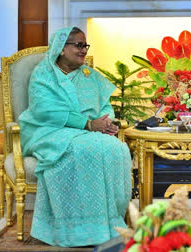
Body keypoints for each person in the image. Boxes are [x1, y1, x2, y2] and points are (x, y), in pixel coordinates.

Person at [19, 27, 132, 247]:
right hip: (48, 130)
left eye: (85, 46)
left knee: (116, 148)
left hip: (87, 132)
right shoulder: (43, 75)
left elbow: (104, 105)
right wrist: (88, 124)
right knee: (85, 149)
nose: (83, 51)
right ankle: (77, 230)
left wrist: (106, 123)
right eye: (78, 45)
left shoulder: (90, 76)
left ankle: (110, 225)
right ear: (62, 49)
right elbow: (44, 111)